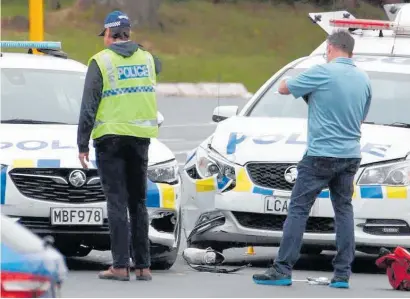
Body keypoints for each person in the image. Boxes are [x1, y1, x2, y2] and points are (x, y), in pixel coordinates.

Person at [252, 30, 372, 289]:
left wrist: (294, 78)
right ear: (351, 51)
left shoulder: (322, 71)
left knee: (298, 209)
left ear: (329, 48)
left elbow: (284, 88)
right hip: (350, 154)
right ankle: (342, 275)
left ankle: (282, 269)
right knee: (343, 211)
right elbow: (360, 118)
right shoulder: (364, 79)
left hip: (320, 154)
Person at [77, 10, 162, 281]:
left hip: (110, 139)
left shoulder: (101, 61)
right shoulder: (147, 59)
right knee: (138, 202)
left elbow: (88, 106)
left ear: (109, 35)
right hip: (140, 138)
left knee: (117, 202)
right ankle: (144, 266)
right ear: (128, 33)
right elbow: (156, 66)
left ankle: (120, 266)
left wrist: (82, 143)